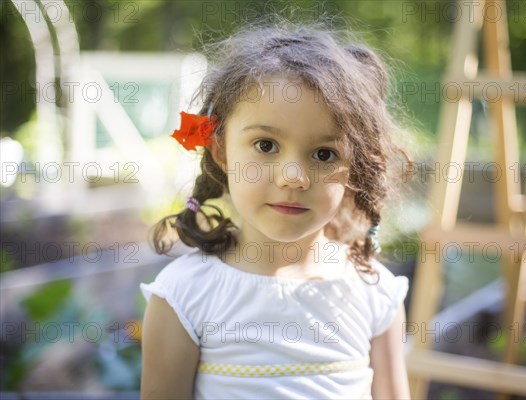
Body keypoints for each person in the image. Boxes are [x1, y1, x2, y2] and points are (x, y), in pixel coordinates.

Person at [140, 22, 411, 400]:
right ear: (221, 151)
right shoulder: (184, 296)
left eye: (324, 154)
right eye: (266, 145)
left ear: (356, 168)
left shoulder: (374, 293)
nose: (294, 177)